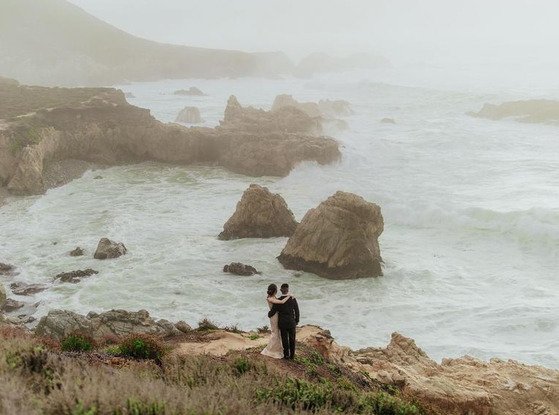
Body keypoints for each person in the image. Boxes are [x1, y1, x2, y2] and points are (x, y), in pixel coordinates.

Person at [261, 283, 293, 359]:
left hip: (277, 316)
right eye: (276, 289)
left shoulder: (273, 297)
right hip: (274, 317)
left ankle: (278, 348)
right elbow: (281, 302)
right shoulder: (270, 298)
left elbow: (279, 301)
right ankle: (272, 350)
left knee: (277, 332)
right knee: (275, 332)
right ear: (274, 290)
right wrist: (288, 296)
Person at [268, 283, 299, 359]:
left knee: (284, 338)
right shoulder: (293, 299)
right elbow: (297, 310)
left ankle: (286, 355)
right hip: (291, 322)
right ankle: (292, 355)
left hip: (282, 322)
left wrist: (269, 314)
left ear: (281, 290)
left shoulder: (278, 300)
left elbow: (273, 311)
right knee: (292, 338)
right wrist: (296, 320)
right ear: (287, 289)